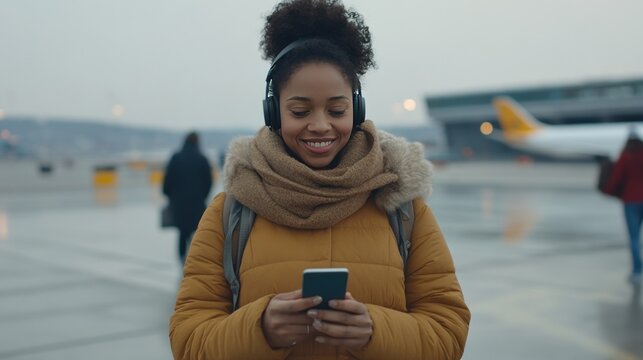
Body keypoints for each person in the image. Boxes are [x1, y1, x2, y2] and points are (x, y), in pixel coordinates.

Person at [169, 1, 470, 358]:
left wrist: (375, 331)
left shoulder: (399, 204)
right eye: (299, 111)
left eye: (337, 110)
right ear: (274, 113)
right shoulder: (233, 210)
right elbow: (188, 342)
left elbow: (448, 334)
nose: (320, 125)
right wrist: (260, 328)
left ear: (356, 110)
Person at [162, 131, 213, 266]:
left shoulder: (176, 158)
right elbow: (208, 182)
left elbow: (167, 182)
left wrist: (170, 196)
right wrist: (202, 195)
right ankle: (196, 262)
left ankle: (182, 262)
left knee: (182, 233)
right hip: (197, 204)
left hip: (180, 204)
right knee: (197, 234)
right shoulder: (202, 159)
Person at [604, 131, 643, 283]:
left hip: (631, 200)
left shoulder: (626, 156)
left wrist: (607, 190)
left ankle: (637, 271)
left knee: (634, 237)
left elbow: (616, 177)